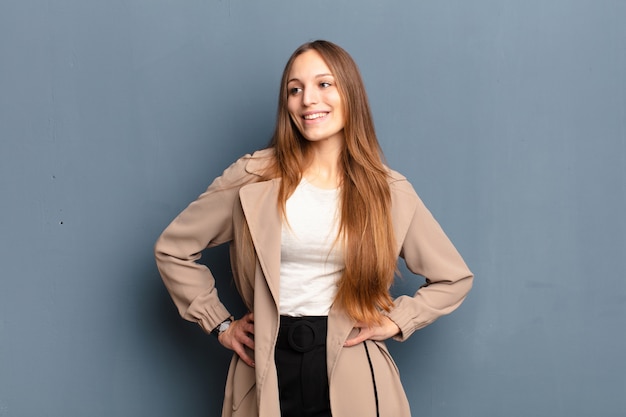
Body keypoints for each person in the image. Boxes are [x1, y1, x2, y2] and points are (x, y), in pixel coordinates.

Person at [155, 40, 473, 417]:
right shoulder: (253, 178)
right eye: (295, 88)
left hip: (354, 367)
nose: (308, 99)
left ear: (349, 94)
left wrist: (397, 321)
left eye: (324, 84)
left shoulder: (387, 191)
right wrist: (220, 324)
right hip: (264, 366)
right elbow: (173, 248)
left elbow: (453, 278)